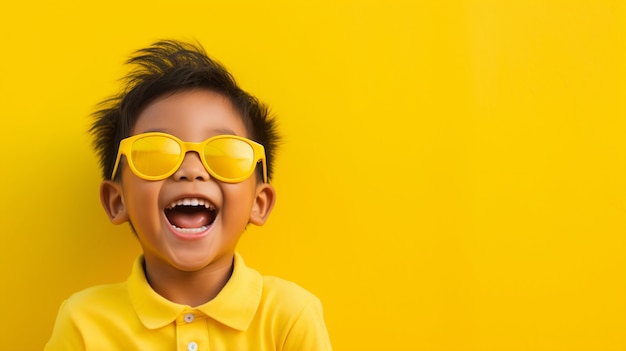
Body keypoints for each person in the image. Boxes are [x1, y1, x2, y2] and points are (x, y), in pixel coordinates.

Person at [45, 39, 332, 351]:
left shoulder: (289, 318)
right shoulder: (84, 322)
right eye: (156, 151)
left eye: (225, 153)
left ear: (258, 203)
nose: (191, 170)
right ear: (118, 201)